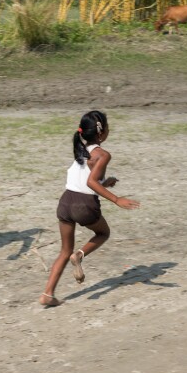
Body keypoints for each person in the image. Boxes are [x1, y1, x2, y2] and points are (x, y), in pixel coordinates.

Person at [40, 110, 140, 306]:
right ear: (102, 133)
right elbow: (91, 182)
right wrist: (116, 199)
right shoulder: (103, 154)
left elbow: (86, 178)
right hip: (84, 205)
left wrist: (106, 182)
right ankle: (79, 255)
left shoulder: (80, 149)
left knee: (63, 250)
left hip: (65, 202)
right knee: (103, 233)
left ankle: (47, 294)